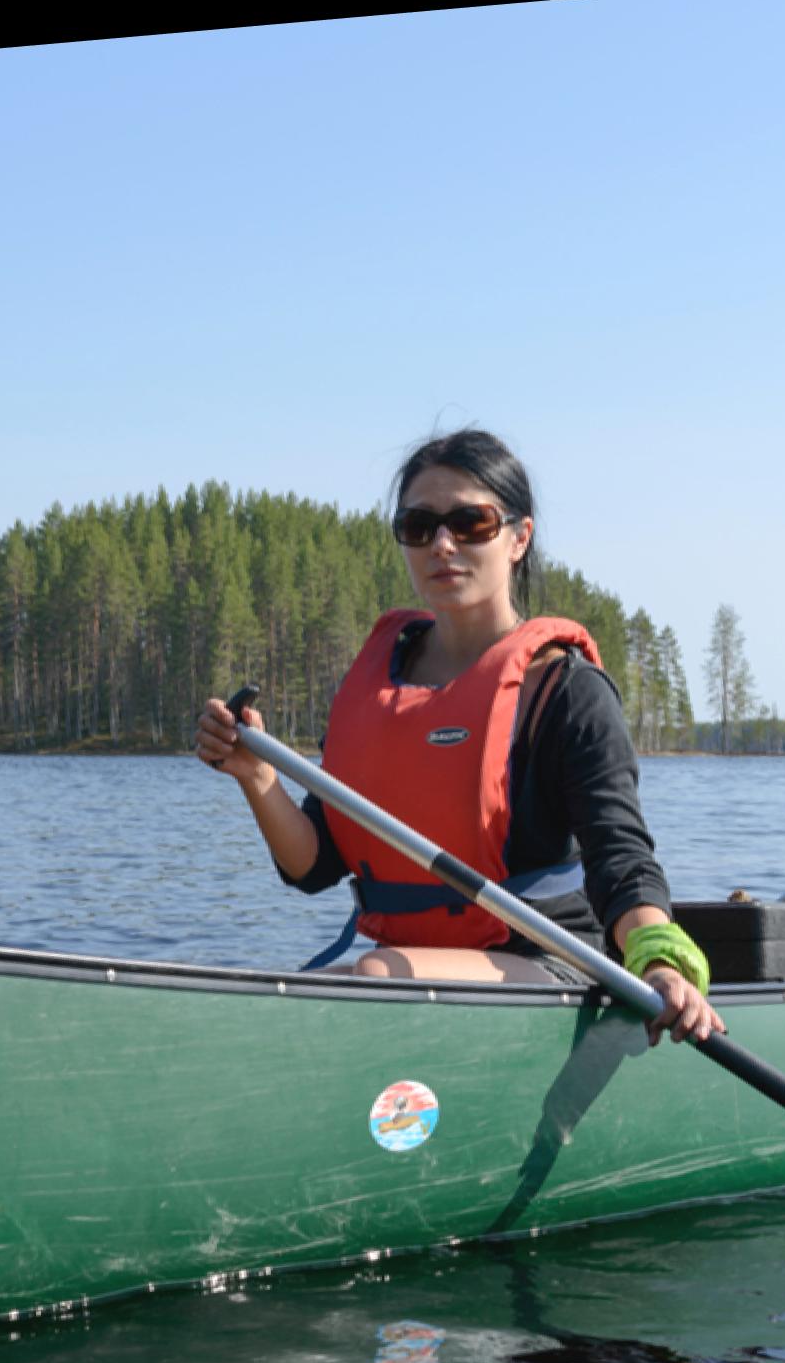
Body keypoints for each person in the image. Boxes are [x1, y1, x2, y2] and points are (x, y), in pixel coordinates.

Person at [193, 429, 720, 1047]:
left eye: (471, 522)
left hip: (549, 966)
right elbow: (313, 865)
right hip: (409, 968)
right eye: (419, 526)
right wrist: (257, 778)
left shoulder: (568, 691)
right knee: (297, 997)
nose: (442, 544)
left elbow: (622, 859)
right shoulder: (381, 686)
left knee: (368, 974)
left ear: (519, 537)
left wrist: (658, 961)